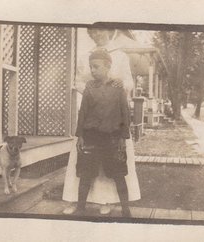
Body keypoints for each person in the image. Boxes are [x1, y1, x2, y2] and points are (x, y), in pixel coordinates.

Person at [62, 27, 141, 215]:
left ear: (110, 31)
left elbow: (128, 83)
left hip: (112, 119)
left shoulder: (120, 56)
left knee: (113, 163)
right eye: (93, 33)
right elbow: (79, 81)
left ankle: (107, 200)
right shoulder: (85, 56)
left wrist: (111, 86)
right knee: (84, 164)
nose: (97, 35)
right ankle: (75, 200)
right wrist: (94, 91)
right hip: (92, 118)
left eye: (101, 31)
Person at [71, 49, 131, 216]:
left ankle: (126, 210)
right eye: (91, 67)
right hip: (91, 136)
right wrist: (80, 135)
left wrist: (123, 138)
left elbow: (125, 113)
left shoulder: (118, 87)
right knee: (85, 174)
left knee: (119, 174)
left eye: (96, 67)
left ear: (108, 66)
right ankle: (80, 208)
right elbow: (83, 111)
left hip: (112, 137)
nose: (92, 70)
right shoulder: (90, 86)